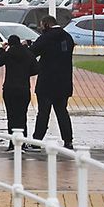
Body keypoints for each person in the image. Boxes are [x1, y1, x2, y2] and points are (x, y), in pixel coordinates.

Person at [28, 15, 75, 149]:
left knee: (43, 113)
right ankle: (68, 141)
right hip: (64, 83)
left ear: (46, 25)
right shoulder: (68, 37)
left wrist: (27, 46)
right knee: (62, 112)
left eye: (41, 25)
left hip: (47, 82)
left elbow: (32, 52)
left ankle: (37, 141)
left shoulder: (46, 37)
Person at [0, 35, 36, 150]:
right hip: (23, 89)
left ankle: (12, 143)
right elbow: (36, 69)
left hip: (10, 89)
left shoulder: (8, 54)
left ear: (9, 44)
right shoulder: (27, 53)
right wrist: (25, 73)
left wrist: (2, 49)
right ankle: (22, 142)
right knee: (22, 116)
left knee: (11, 116)